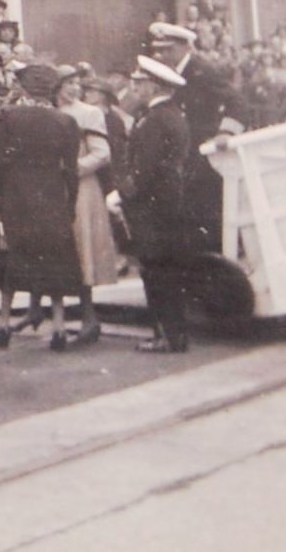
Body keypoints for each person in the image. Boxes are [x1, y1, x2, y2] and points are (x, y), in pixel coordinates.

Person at [0, 63, 81, 351]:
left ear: (24, 88)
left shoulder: (7, 117)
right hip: (52, 198)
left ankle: (3, 325)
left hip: (16, 198)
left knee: (11, 259)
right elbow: (71, 171)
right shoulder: (66, 122)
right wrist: (70, 205)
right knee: (54, 260)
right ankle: (60, 328)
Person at [116, 56, 194, 352]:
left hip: (152, 207)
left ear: (154, 85)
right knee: (169, 271)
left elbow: (143, 170)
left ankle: (165, 335)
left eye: (140, 82)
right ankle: (174, 334)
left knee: (157, 272)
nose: (136, 86)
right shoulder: (172, 115)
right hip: (169, 203)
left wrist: (122, 194)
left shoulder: (154, 119)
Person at [147, 21, 239, 252]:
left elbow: (236, 101)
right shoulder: (169, 73)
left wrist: (225, 131)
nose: (163, 55)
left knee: (206, 205)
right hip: (181, 150)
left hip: (201, 147)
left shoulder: (202, 70)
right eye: (160, 50)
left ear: (186, 47)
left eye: (169, 49)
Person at [59, 71, 121, 343]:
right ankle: (56, 318)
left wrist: (72, 170)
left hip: (82, 187)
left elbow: (102, 153)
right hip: (53, 189)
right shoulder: (48, 112)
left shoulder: (90, 113)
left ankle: (88, 317)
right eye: (68, 83)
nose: (74, 88)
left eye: (77, 84)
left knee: (82, 248)